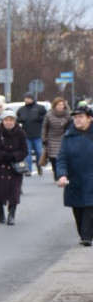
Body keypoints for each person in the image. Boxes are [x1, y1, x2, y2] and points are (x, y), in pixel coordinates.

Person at [55, 105, 93, 246]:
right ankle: (83, 234)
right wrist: (62, 175)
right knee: (78, 208)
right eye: (75, 117)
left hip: (91, 177)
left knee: (90, 206)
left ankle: (87, 236)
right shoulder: (68, 136)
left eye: (81, 117)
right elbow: (62, 158)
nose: (77, 120)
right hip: (75, 178)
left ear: (90, 118)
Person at [0, 108, 28, 225]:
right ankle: (1, 213)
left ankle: (11, 215)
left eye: (11, 120)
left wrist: (14, 156)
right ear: (2, 121)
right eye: (6, 120)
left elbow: (25, 150)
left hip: (14, 167)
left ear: (15, 121)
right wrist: (3, 155)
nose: (9, 122)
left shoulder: (20, 133)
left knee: (14, 191)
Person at [16, 92, 46, 175]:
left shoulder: (40, 108)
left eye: (28, 98)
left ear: (32, 99)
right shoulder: (22, 109)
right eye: (26, 98)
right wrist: (21, 119)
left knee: (39, 152)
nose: (27, 99)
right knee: (27, 153)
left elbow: (45, 117)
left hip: (37, 134)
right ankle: (28, 169)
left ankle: (39, 166)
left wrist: (38, 118)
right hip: (26, 134)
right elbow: (17, 118)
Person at [43, 97, 72, 177]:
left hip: (63, 137)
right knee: (53, 157)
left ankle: (61, 173)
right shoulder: (49, 115)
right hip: (52, 138)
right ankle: (56, 172)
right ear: (55, 105)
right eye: (58, 105)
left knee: (62, 156)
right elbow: (45, 127)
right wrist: (43, 138)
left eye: (62, 105)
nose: (60, 106)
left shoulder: (67, 115)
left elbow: (71, 126)